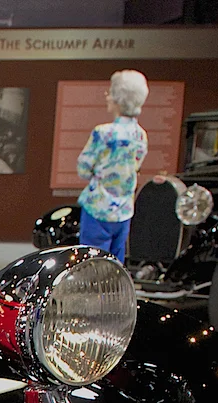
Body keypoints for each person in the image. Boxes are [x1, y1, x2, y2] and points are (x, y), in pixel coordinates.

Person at [75, 70, 149, 262]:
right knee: (116, 263)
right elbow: (136, 165)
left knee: (92, 262)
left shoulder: (103, 132)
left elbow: (83, 168)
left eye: (110, 92)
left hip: (98, 208)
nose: (107, 97)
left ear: (118, 99)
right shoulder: (140, 135)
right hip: (124, 210)